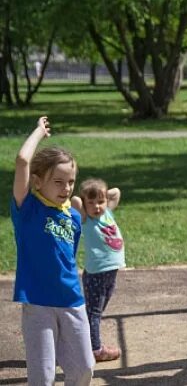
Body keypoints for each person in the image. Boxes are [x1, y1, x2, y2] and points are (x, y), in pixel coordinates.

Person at [12, 116, 94, 385]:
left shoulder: (72, 215)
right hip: (38, 303)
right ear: (37, 182)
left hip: (72, 300)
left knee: (84, 369)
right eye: (58, 181)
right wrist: (38, 132)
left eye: (70, 181)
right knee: (43, 377)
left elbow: (66, 258)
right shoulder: (28, 209)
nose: (67, 188)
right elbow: (23, 161)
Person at [71, 179, 124, 362]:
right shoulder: (86, 219)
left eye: (100, 201)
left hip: (110, 271)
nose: (96, 206)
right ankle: (95, 349)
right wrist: (90, 199)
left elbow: (116, 192)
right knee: (93, 312)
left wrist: (103, 194)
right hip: (97, 273)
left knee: (96, 312)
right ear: (85, 206)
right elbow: (75, 200)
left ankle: (85, 343)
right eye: (91, 203)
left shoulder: (107, 213)